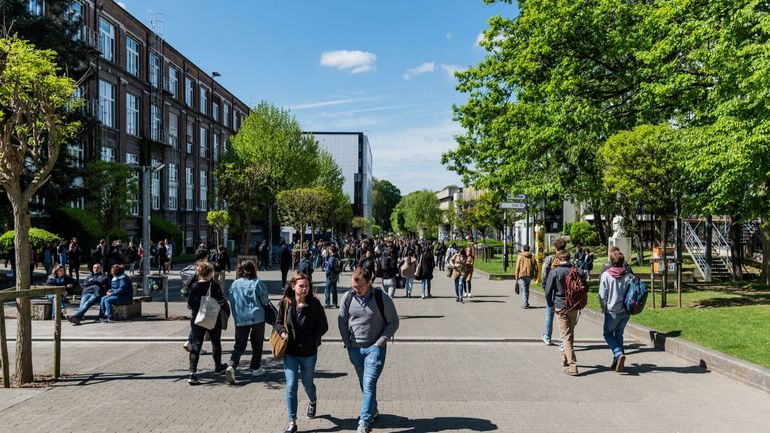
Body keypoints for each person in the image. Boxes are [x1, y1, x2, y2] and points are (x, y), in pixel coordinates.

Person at [338, 268, 399, 433]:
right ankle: (373, 408)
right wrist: (347, 342)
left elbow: (393, 322)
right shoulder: (348, 297)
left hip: (375, 349)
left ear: (370, 282)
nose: (356, 290)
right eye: (353, 286)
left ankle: (364, 421)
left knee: (369, 382)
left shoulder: (382, 298)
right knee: (363, 382)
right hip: (355, 349)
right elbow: (342, 320)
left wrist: (380, 342)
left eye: (360, 287)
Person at [274, 273, 329, 433]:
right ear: (293, 286)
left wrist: (311, 339)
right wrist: (283, 332)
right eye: (301, 286)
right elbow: (277, 323)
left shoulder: (314, 303)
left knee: (307, 384)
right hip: (290, 353)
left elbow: (323, 326)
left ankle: (313, 401)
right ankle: (292, 421)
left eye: (306, 286)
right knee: (291, 386)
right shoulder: (286, 303)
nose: (304, 288)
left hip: (309, 353)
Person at [225, 260, 270, 383]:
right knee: (257, 343)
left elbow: (231, 299)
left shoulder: (234, 284)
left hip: (240, 318)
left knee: (239, 344)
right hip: (257, 317)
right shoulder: (257, 283)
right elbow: (265, 300)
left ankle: (232, 365)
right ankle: (256, 368)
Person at [186, 260, 228, 384]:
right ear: (210, 273)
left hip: (197, 319)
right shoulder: (214, 286)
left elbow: (189, 305)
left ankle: (192, 373)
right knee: (216, 343)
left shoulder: (193, 286)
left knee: (196, 344)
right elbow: (221, 302)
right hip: (212, 318)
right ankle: (218, 366)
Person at [544, 250, 580, 376]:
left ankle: (572, 365)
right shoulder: (575, 271)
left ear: (558, 259)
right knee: (570, 333)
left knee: (565, 335)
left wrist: (550, 304)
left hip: (561, 305)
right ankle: (565, 357)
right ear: (569, 259)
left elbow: (548, 291)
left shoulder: (555, 272)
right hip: (574, 306)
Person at [599, 250, 632, 372]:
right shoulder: (628, 276)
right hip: (625, 311)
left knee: (607, 334)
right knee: (619, 334)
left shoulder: (606, 276)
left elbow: (602, 296)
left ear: (611, 262)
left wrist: (604, 308)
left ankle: (618, 354)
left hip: (612, 311)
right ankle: (617, 361)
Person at [540, 237, 567, 346]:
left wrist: (546, 289)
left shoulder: (549, 259)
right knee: (564, 319)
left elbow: (544, 276)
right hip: (564, 292)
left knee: (549, 314)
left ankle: (547, 336)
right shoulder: (568, 258)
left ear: (554, 247)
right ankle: (563, 341)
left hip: (551, 291)